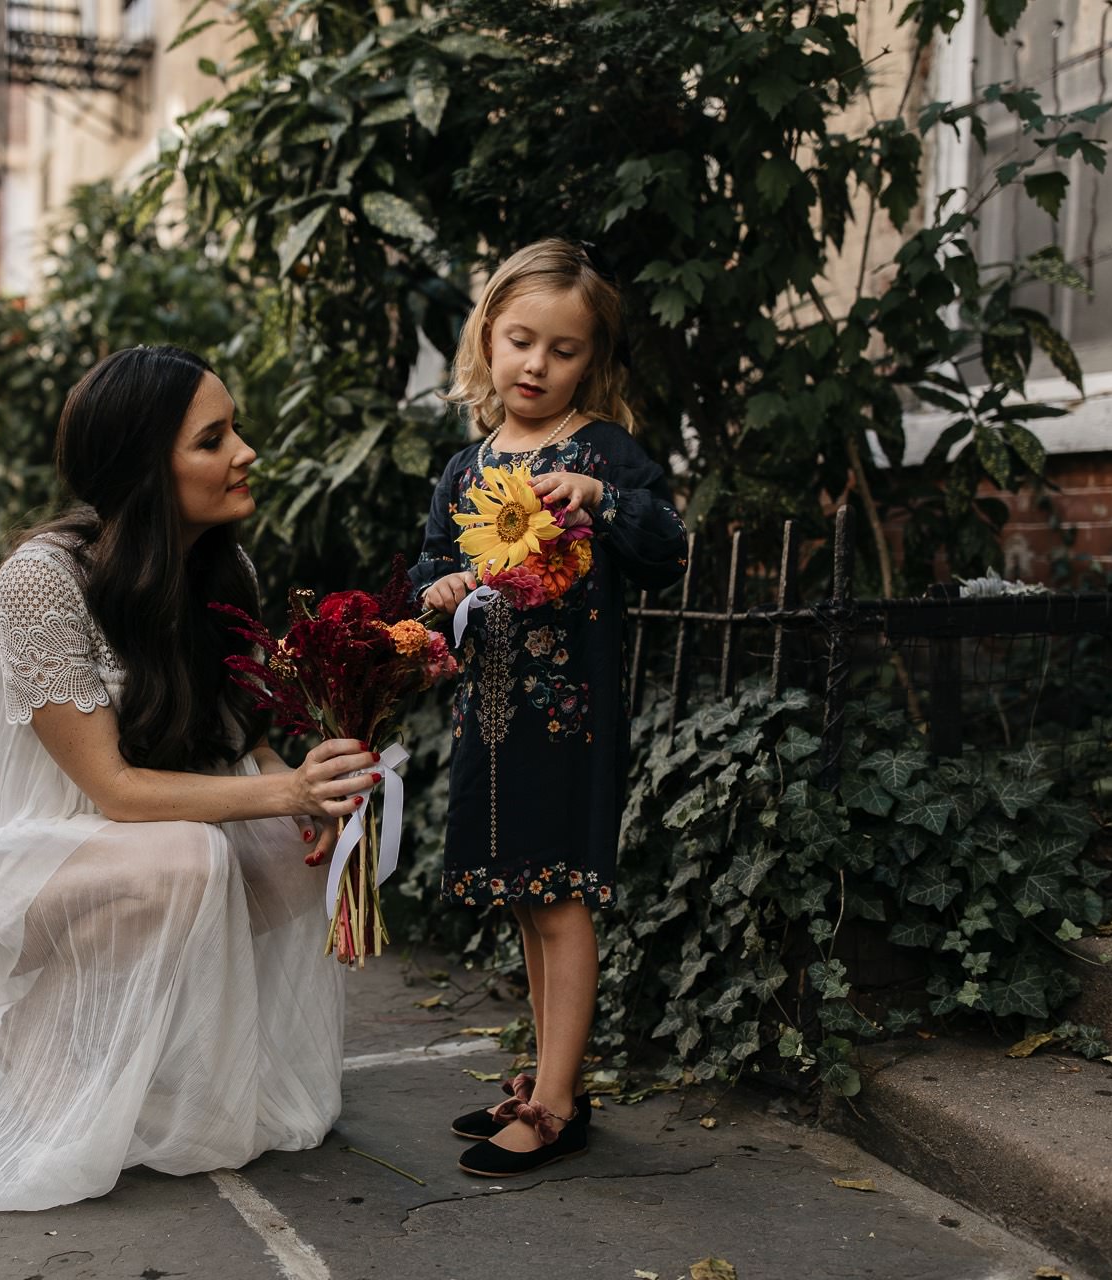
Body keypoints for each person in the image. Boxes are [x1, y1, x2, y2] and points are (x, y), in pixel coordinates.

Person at [0, 344, 380, 1212]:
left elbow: (239, 742)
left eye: (236, 430)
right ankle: (27, 1077)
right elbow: (112, 789)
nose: (246, 452)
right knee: (189, 859)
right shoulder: (43, 581)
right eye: (213, 438)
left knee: (296, 860)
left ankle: (153, 1064)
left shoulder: (223, 568)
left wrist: (312, 792)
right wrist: (285, 791)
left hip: (139, 843)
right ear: (148, 469)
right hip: (8, 867)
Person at [413, 240, 688, 1177]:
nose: (537, 364)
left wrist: (602, 498)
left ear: (591, 363)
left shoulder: (602, 452)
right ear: (487, 335)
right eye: (521, 340)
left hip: (568, 721)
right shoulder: (467, 467)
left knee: (562, 900)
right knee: (528, 903)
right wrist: (440, 588)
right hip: (490, 721)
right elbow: (425, 565)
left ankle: (561, 1104)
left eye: (563, 350)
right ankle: (543, 1082)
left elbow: (666, 543)